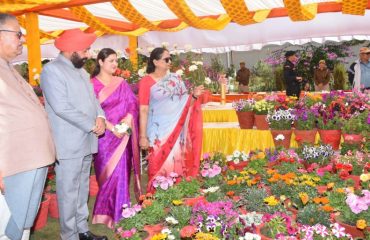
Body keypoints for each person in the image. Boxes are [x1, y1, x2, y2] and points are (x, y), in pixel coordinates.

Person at [40, 29, 107, 240]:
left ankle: (82, 230)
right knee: (68, 192)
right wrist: (91, 124)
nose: (88, 54)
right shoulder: (52, 71)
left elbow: (93, 101)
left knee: (82, 188)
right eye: (85, 50)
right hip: (68, 142)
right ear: (71, 50)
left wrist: (101, 117)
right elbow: (61, 107)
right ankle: (69, 235)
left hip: (87, 139)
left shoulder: (82, 71)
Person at [0, 13, 55, 240]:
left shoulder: (7, 67)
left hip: (29, 160)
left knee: (21, 226)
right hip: (12, 164)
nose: (22, 39)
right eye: (18, 34)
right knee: (8, 226)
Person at [138, 47, 204, 192]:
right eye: (166, 59)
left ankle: (177, 199)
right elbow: (143, 109)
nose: (170, 62)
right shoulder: (146, 82)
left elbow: (186, 104)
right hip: (157, 132)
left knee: (177, 164)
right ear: (155, 62)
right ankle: (157, 200)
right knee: (158, 165)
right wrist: (142, 136)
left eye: (170, 58)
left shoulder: (176, 79)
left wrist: (194, 95)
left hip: (176, 129)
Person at [90, 48, 141, 228]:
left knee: (121, 175)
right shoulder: (91, 85)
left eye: (116, 61)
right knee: (106, 175)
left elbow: (132, 105)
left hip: (122, 137)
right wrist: (112, 128)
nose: (115, 64)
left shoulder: (121, 83)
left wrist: (126, 123)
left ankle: (121, 212)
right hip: (104, 137)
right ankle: (104, 213)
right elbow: (91, 110)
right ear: (100, 62)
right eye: (111, 60)